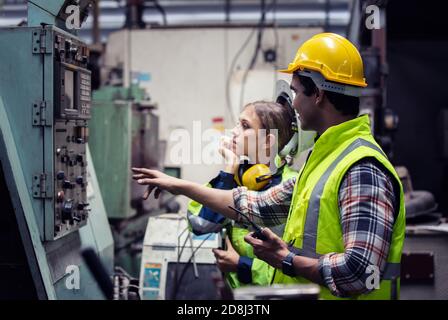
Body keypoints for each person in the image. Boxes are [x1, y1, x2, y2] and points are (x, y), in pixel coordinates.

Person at [132, 33, 405, 300]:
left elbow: (359, 272)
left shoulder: (361, 167)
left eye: (296, 92)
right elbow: (256, 205)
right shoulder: (325, 158)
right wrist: (176, 185)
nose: (293, 104)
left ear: (319, 94)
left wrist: (285, 259)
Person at [187, 100, 300, 289]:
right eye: (238, 123)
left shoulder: (290, 187)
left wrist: (241, 265)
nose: (234, 131)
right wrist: (229, 170)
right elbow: (200, 225)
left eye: (245, 125)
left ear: (267, 141)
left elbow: (292, 265)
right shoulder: (237, 177)